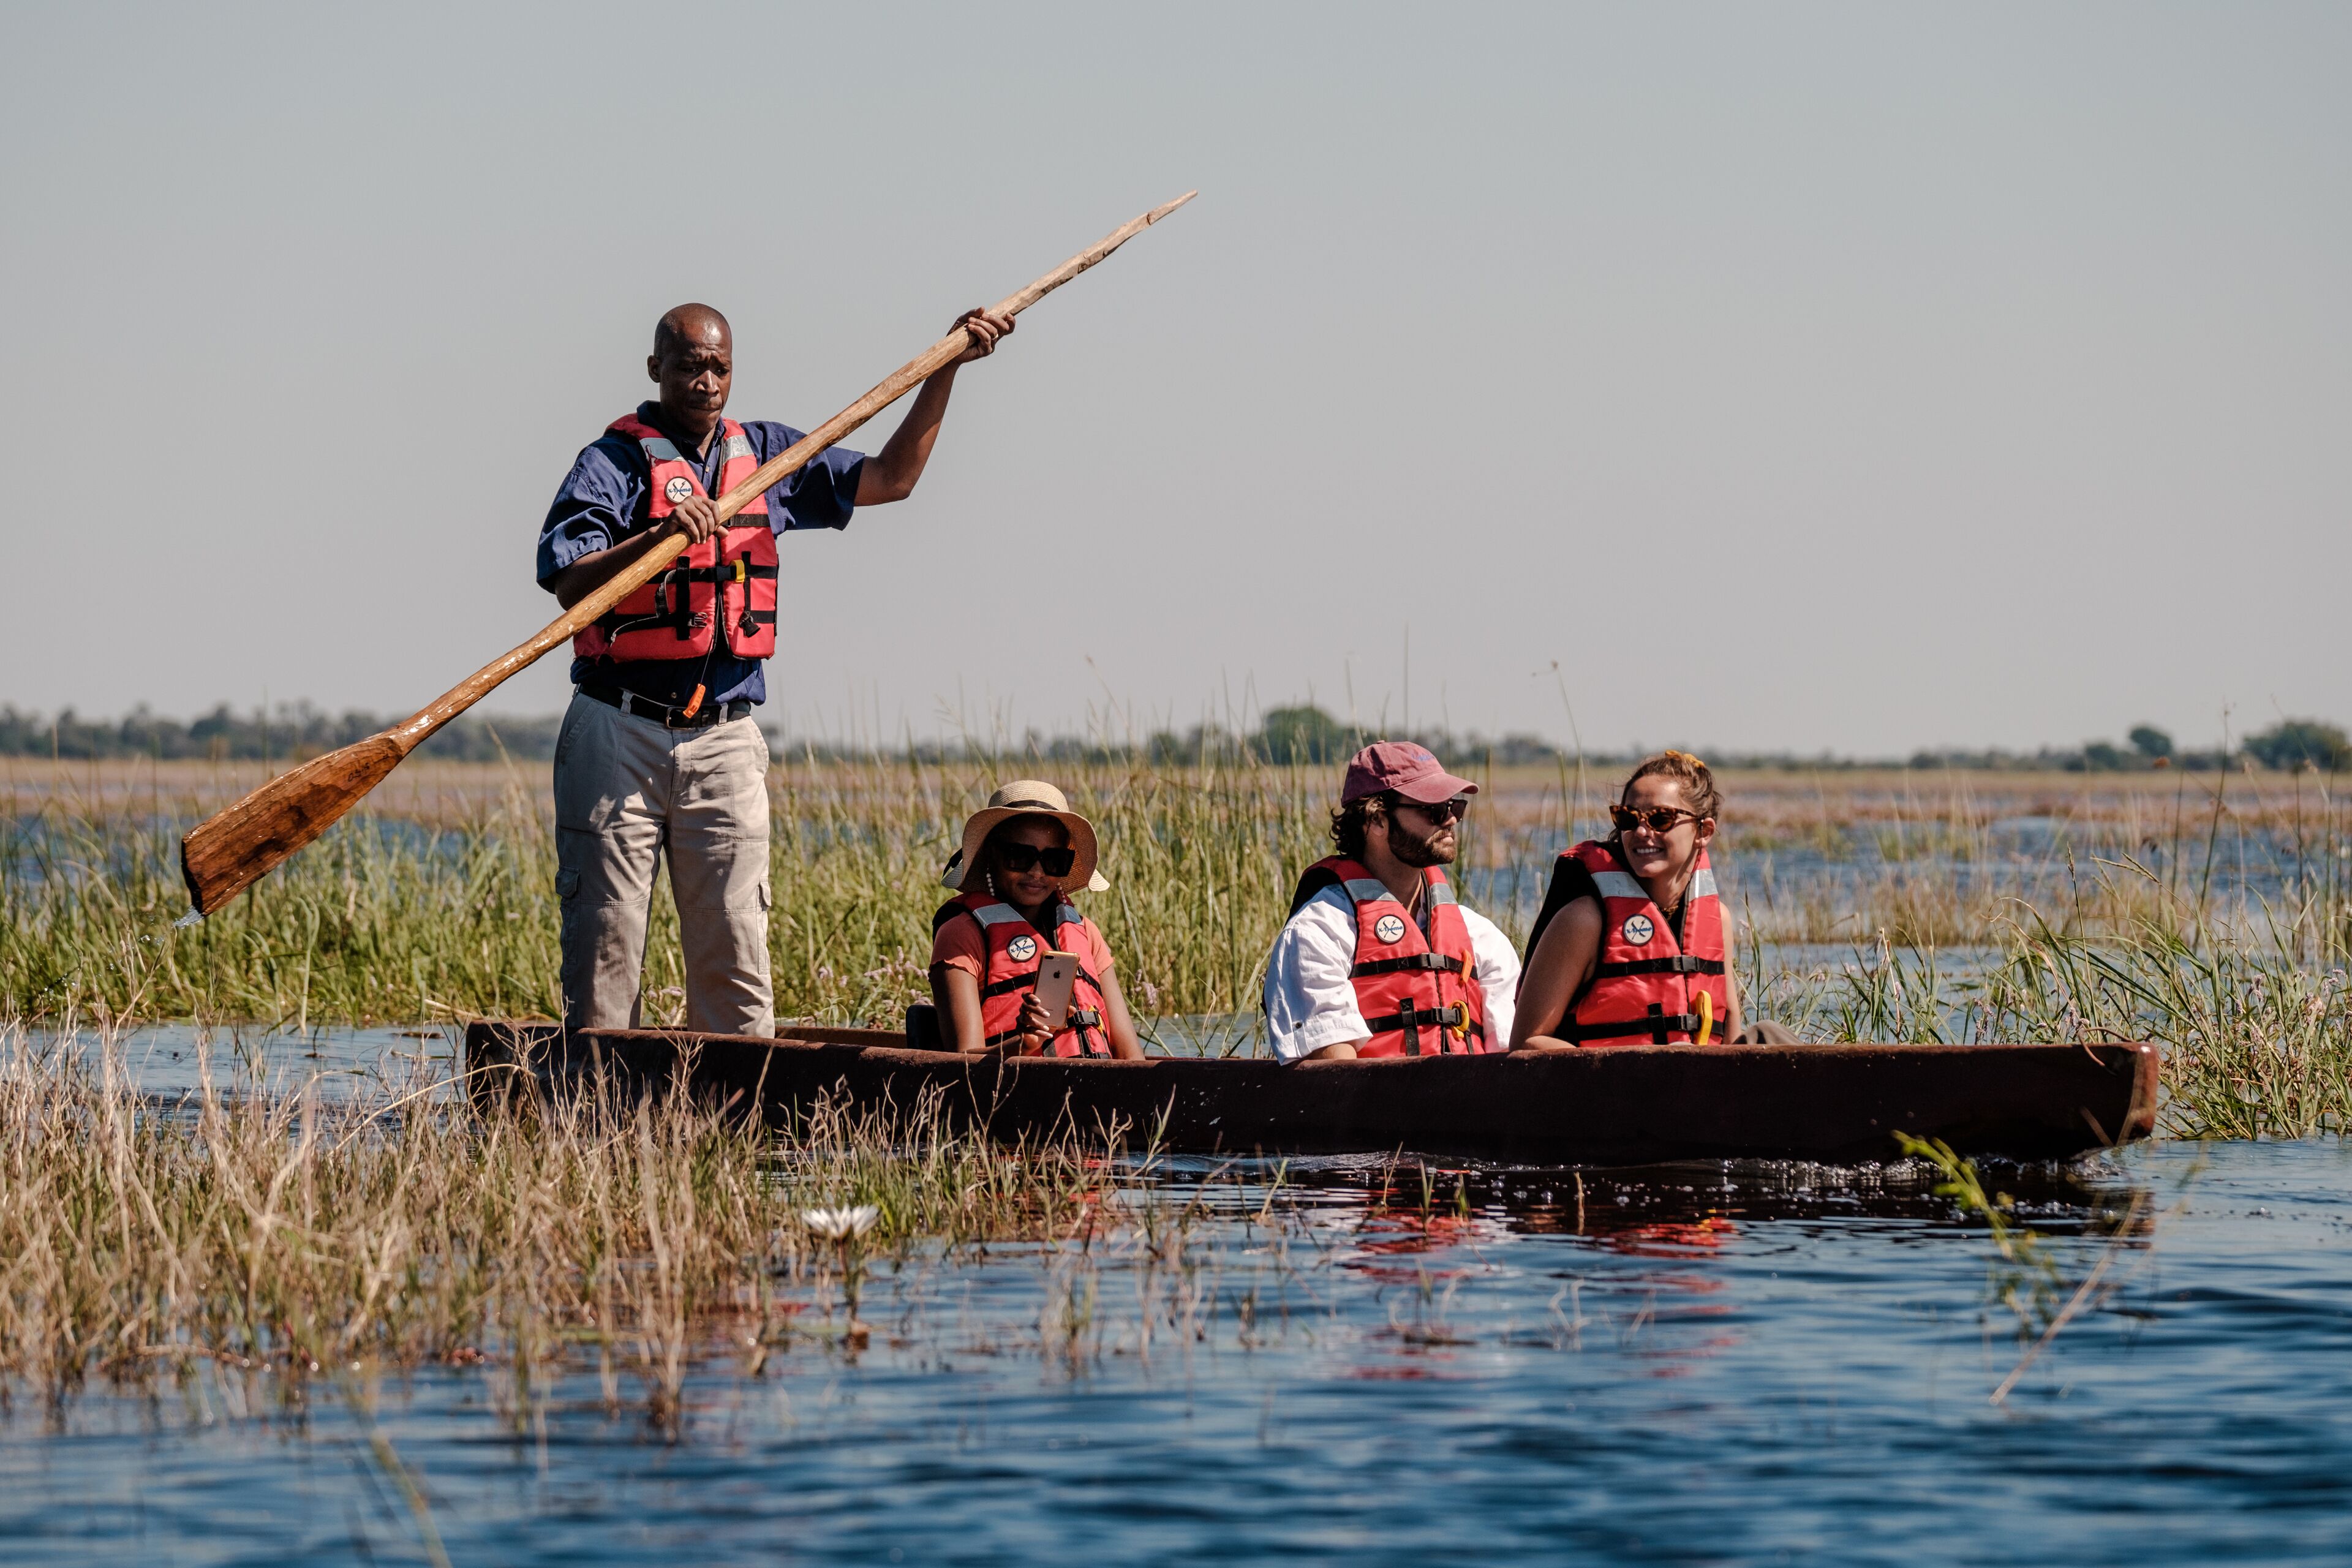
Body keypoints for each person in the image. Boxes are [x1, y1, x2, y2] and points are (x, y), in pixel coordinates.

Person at [537, 301, 1013, 1035]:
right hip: (617, 729)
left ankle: (725, 1130)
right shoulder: (612, 464)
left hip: (725, 737)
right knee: (607, 950)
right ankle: (598, 1120)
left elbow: (893, 477)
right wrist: (658, 538)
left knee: (735, 951)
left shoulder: (769, 457)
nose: (705, 381)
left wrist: (948, 366)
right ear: (655, 369)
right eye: (689, 365)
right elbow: (568, 581)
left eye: (719, 367)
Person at [1262, 742, 1521, 1061]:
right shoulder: (1318, 932)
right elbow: (1334, 1078)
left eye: (1455, 808)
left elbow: (1509, 1056)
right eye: (1434, 810)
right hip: (1373, 1109)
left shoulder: (1481, 937)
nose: (1451, 820)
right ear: (1377, 821)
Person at [1512, 750, 1776, 1049]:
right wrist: (1646, 1068)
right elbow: (1525, 1045)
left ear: (1704, 831)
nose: (1641, 831)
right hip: (1610, 1092)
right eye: (1627, 818)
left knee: (1770, 1035)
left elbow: (1730, 1041)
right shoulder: (1584, 920)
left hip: (1696, 1090)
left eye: (1661, 819)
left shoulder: (1719, 919)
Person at [928, 782, 1145, 1058]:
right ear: (992, 856)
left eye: (1054, 860)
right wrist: (1023, 1043)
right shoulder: (961, 935)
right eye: (1020, 856)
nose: (1037, 872)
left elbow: (1132, 1057)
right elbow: (962, 1063)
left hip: (1095, 1092)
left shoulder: (1087, 933)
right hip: (1008, 1095)